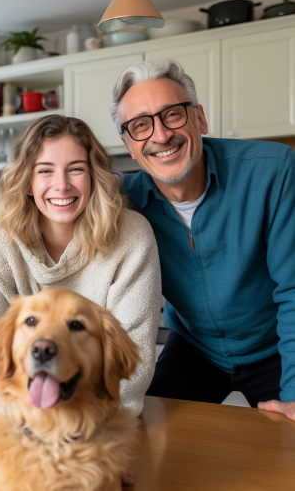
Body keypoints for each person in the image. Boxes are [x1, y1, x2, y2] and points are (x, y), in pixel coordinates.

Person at [110, 58, 295, 421]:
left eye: (173, 115)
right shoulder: (121, 202)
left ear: (200, 118)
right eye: (141, 126)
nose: (161, 136)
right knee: (144, 437)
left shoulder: (272, 170)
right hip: (195, 350)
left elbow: (293, 289)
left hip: (275, 347)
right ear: (129, 145)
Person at [0, 114, 161, 428]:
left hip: (98, 426)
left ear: (94, 176)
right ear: (27, 182)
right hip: (12, 424)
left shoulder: (132, 236)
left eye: (76, 169)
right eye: (45, 171)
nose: (61, 185)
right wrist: (30, 426)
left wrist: (70, 430)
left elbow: (134, 362)